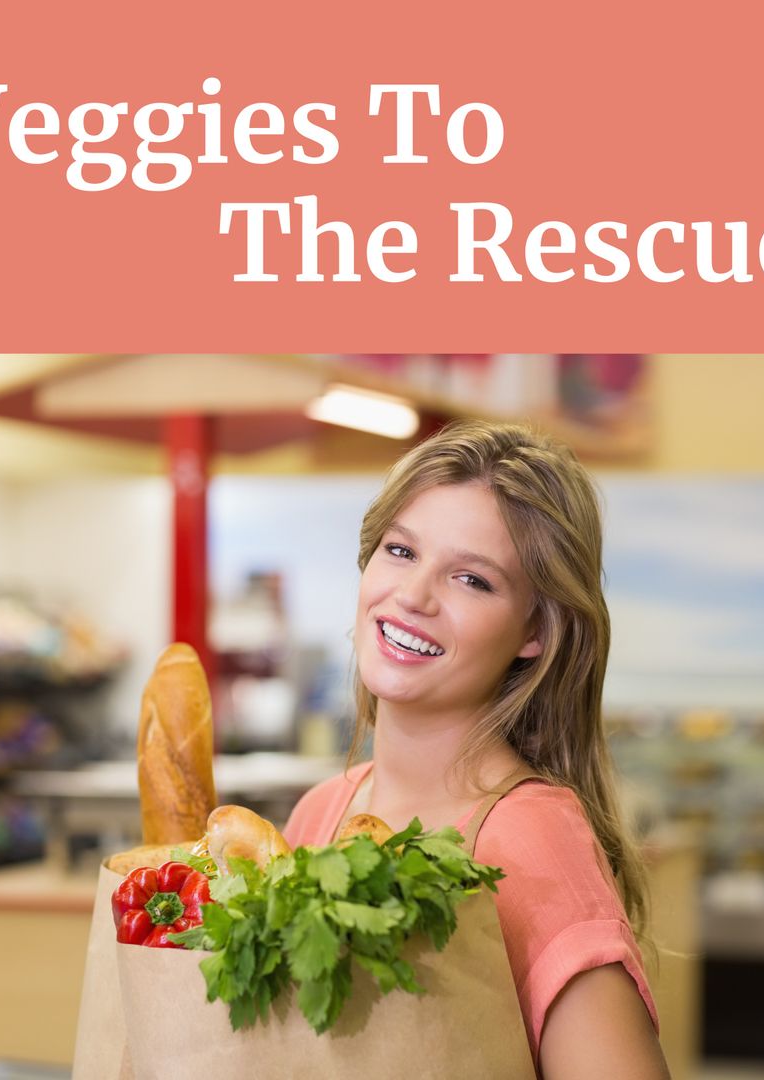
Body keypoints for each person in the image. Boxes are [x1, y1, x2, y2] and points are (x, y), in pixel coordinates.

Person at [283, 419, 670, 1080]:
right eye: (401, 552)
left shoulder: (528, 836)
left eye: (472, 580)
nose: (411, 596)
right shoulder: (320, 814)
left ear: (536, 632)